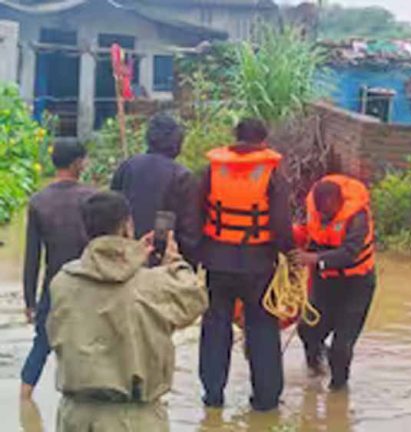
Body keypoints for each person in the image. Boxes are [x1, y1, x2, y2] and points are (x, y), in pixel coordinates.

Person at [46, 191, 207, 431]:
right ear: (128, 227)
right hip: (136, 417)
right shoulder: (154, 284)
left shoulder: (62, 282)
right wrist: (174, 261)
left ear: (86, 231)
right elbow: (195, 298)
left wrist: (132, 255)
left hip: (75, 416)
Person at [198, 118, 294, 411]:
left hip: (218, 262)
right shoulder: (273, 174)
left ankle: (213, 397)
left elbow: (197, 212)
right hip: (258, 265)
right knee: (263, 329)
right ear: (262, 142)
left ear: (234, 138)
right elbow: (280, 223)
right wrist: (289, 256)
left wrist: (199, 253)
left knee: (216, 328)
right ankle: (265, 401)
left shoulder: (212, 171)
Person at [20, 141, 96, 400]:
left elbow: (32, 257)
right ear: (78, 163)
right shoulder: (92, 198)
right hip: (88, 284)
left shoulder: (39, 201)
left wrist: (30, 300)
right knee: (88, 347)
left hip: (53, 285)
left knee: (41, 345)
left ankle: (25, 402)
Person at [294, 174, 376, 391]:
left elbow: (350, 254)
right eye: (320, 212)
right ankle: (315, 371)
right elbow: (305, 234)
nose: (324, 217)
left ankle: (338, 396)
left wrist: (314, 259)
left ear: (339, 202)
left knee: (341, 346)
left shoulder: (357, 217)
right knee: (307, 329)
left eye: (328, 212)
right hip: (325, 283)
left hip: (356, 285)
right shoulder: (312, 209)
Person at [111, 113, 202, 264]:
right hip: (164, 260)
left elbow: (111, 209)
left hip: (126, 256)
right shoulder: (181, 176)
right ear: (177, 143)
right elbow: (190, 228)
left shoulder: (128, 167)